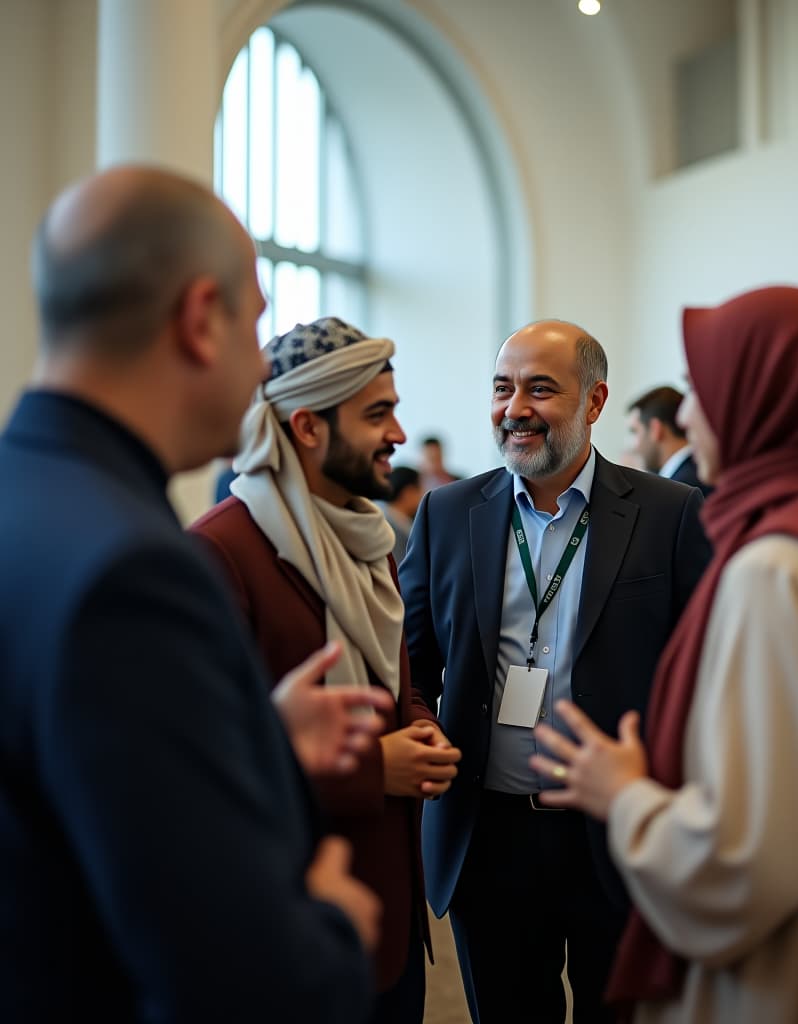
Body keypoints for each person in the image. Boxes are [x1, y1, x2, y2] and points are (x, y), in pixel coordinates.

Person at [0, 166, 394, 1022]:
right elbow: (233, 978)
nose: (260, 367)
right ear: (198, 319)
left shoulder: (26, 493)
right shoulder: (135, 571)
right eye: (255, 327)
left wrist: (255, 740)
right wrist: (330, 925)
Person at [532, 286, 798, 1023]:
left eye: (701, 391)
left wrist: (623, 795)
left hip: (788, 972)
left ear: (764, 398)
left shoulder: (777, 570)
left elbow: (745, 861)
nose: (684, 417)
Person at [399, 319, 711, 1023]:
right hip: (491, 837)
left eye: (541, 389)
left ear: (595, 403)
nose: (516, 409)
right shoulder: (448, 513)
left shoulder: (669, 513)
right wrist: (421, 729)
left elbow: (702, 676)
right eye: (503, 388)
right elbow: (409, 662)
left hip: (615, 835)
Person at [190, 317, 461, 1023]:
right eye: (378, 414)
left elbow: (391, 684)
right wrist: (375, 768)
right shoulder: (219, 554)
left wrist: (422, 729)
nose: (399, 436)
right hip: (292, 925)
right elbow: (205, 766)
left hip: (390, 921)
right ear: (307, 427)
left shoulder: (367, 540)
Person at [627, 385, 712, 496]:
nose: (633, 447)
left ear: (655, 429)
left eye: (635, 432)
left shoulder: (680, 489)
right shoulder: (696, 473)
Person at [380, 465, 425, 564]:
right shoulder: (387, 528)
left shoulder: (400, 521)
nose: (423, 494)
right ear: (408, 493)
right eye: (421, 489)